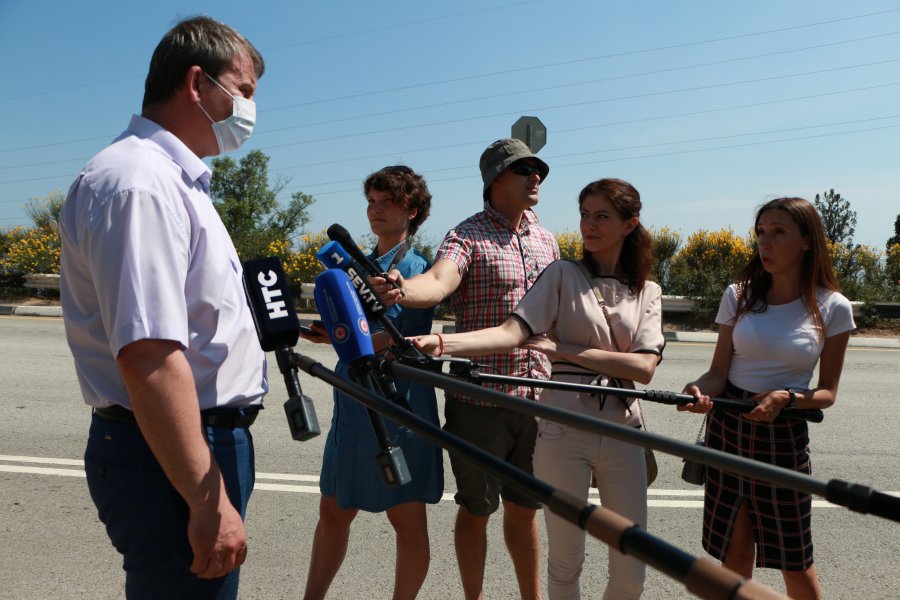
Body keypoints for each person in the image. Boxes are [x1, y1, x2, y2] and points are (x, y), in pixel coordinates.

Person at [58, 17, 266, 600]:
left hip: (185, 447)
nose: (250, 109)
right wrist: (207, 499)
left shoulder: (176, 181)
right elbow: (148, 353)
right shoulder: (140, 184)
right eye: (244, 91)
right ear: (197, 83)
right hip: (172, 455)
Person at [411, 178, 664, 600]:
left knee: (631, 564)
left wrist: (564, 350)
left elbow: (643, 367)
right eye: (585, 214)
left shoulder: (648, 291)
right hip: (562, 429)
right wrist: (442, 343)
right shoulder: (562, 273)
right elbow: (511, 332)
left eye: (602, 216)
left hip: (624, 431)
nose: (589, 225)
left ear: (629, 223)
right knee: (565, 562)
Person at [376, 138, 559, 600]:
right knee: (477, 509)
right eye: (525, 170)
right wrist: (402, 288)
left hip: (537, 396)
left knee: (525, 509)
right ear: (496, 179)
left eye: (538, 170)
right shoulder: (467, 235)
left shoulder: (546, 236)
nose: (535, 177)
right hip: (479, 399)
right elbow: (437, 282)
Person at [678, 197, 855, 600]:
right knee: (734, 559)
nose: (765, 243)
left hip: (784, 434)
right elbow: (718, 373)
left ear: (807, 241)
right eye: (760, 233)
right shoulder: (738, 295)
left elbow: (826, 393)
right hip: (730, 428)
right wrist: (699, 389)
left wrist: (786, 397)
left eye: (778, 232)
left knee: (795, 563)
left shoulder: (833, 307)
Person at [300, 166, 443, 600]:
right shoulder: (352, 261)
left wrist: (349, 338)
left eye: (388, 203)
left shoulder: (419, 270)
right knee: (333, 510)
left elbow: (405, 341)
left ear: (412, 211)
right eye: (372, 202)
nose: (376, 210)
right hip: (354, 398)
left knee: (407, 517)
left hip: (399, 404)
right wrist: (330, 330)